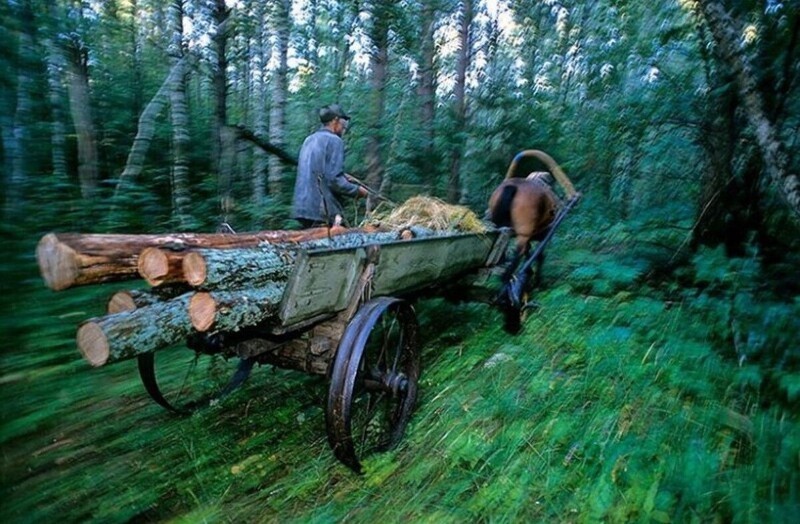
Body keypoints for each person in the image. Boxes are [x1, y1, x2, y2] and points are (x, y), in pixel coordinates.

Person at [292, 104, 368, 228]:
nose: (344, 128)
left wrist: (344, 176)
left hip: (302, 209)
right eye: (344, 124)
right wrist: (358, 191)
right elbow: (334, 180)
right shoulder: (334, 140)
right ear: (336, 120)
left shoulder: (309, 140)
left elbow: (318, 172)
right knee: (343, 242)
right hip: (322, 210)